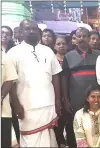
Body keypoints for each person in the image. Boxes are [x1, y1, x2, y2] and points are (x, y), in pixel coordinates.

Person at [7, 19, 62, 147]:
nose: (31, 31)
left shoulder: (48, 51)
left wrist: (58, 100)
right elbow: (10, 80)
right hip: (26, 105)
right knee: (30, 138)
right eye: (27, 29)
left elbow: (55, 76)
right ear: (21, 32)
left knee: (49, 137)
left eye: (34, 29)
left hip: (48, 102)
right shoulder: (13, 53)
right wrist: (15, 104)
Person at [61, 27, 100, 147]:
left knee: (93, 126)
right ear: (75, 39)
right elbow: (64, 78)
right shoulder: (69, 56)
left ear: (89, 38)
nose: (82, 39)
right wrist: (65, 99)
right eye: (79, 36)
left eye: (84, 36)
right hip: (75, 99)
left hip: (94, 99)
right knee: (74, 127)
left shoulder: (98, 55)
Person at [1, 42, 19, 147]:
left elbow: (10, 78)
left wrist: (1, 97)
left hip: (3, 110)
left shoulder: (5, 56)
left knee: (4, 142)